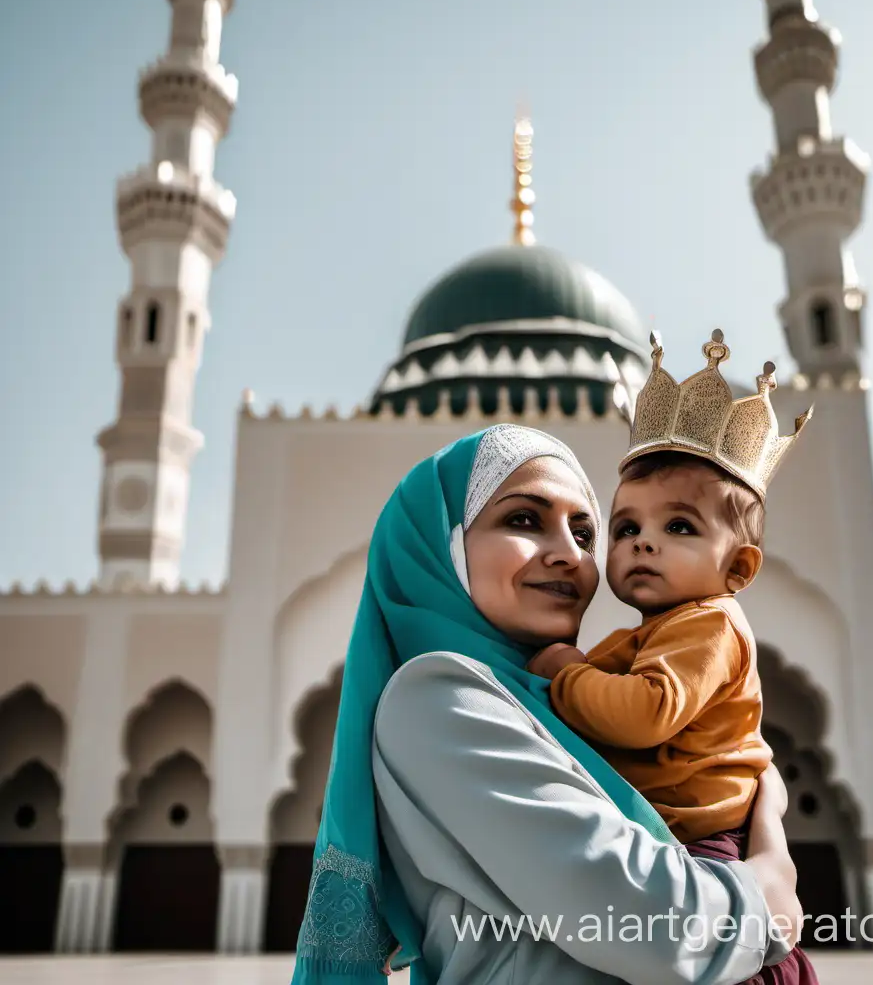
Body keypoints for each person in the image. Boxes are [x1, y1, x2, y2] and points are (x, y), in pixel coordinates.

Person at [290, 423, 801, 985]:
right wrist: (769, 877)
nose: (568, 556)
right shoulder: (438, 698)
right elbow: (657, 925)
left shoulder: (555, 701)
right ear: (443, 543)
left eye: (585, 535)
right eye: (524, 520)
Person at [526, 330, 818, 984]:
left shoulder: (707, 625)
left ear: (738, 566)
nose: (643, 543)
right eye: (626, 528)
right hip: (669, 844)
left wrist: (565, 672)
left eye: (678, 526)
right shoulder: (650, 634)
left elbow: (644, 714)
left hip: (707, 853)